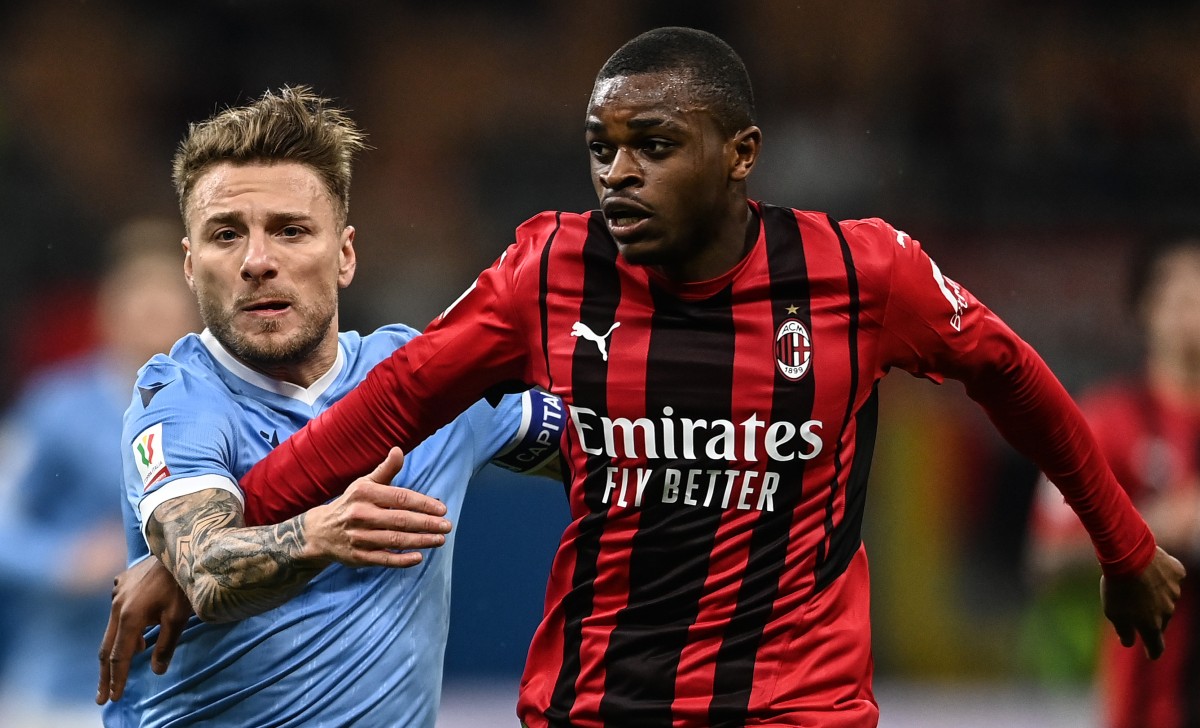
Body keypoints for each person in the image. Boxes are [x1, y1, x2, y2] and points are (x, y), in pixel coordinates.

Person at [189, 28, 1186, 727]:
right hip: (594, 702)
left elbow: (1010, 373)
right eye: (602, 149)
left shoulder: (863, 273)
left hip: (797, 707)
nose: (618, 173)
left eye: (654, 146)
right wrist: (221, 531)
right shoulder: (550, 270)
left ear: (741, 154)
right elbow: (391, 402)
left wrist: (1125, 544)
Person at [96, 86, 562, 727]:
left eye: (290, 231)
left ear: (344, 254)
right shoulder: (175, 399)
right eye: (226, 235)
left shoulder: (425, 379)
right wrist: (318, 536)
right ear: (190, 265)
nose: (258, 262)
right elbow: (205, 569)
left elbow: (600, 451)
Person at [0, 222, 197, 727]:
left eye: (165, 296)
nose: (152, 310)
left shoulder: (220, 409)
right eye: (138, 294)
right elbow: (5, 526)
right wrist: (64, 561)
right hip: (66, 691)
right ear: (108, 308)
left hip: (183, 691)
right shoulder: (56, 406)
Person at [1028, 232, 1200, 728]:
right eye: (1177, 296)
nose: (1190, 313)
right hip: (1148, 708)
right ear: (1146, 308)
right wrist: (1153, 530)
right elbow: (1047, 555)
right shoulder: (1108, 420)